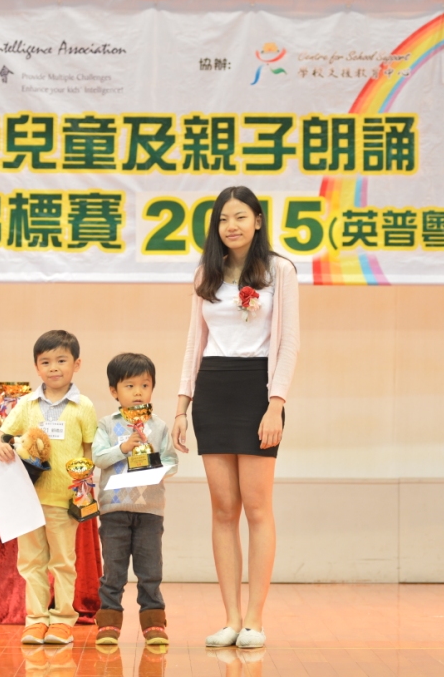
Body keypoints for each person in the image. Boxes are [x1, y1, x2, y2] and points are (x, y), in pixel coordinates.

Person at [171, 185, 300, 649]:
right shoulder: (206, 273)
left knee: (257, 507)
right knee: (224, 509)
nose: (232, 226)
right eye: (224, 218)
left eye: (241, 216)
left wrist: (276, 403)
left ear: (258, 221)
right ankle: (229, 618)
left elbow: (290, 342)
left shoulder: (280, 270)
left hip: (257, 390)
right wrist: (182, 405)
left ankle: (254, 620)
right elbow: (195, 342)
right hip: (213, 388)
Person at [0, 330, 98, 646]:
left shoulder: (83, 406)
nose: (54, 368)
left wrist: (85, 490)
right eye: (46, 362)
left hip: (63, 498)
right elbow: (3, 434)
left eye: (61, 360)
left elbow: (89, 450)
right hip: (27, 497)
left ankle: (63, 621)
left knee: (63, 561)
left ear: (76, 364)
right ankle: (36, 620)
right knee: (31, 562)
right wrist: (0, 444)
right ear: (37, 367)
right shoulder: (26, 404)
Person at [92, 353, 179, 646]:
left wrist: (154, 465)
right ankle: (109, 622)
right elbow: (98, 458)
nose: (138, 392)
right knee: (113, 571)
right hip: (114, 510)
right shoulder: (107, 424)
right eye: (130, 386)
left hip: (150, 510)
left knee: (150, 571)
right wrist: (124, 448)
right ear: (114, 391)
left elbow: (172, 462)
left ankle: (154, 623)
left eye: (145, 385)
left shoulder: (159, 426)